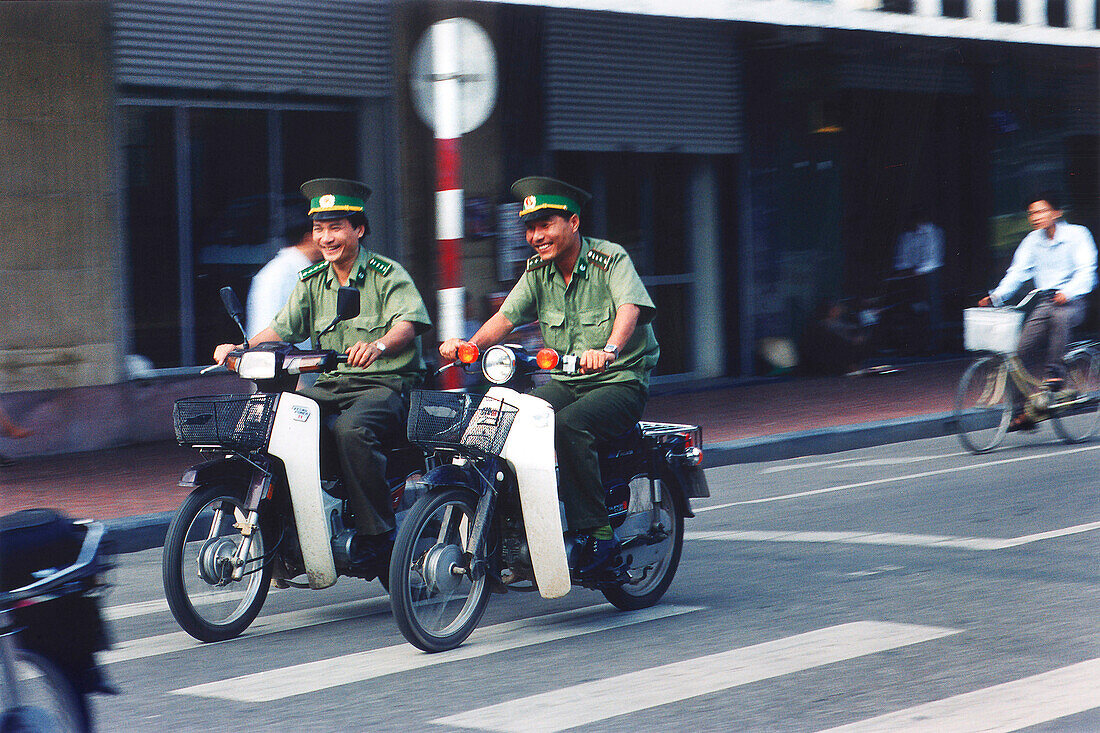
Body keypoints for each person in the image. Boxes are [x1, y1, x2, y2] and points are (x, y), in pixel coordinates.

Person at [439, 176, 660, 580]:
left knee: (571, 426)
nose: (536, 236)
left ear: (573, 223)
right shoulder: (538, 272)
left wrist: (608, 350)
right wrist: (467, 346)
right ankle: (514, 525)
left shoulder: (610, 260)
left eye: (545, 224)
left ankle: (599, 534)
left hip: (620, 381)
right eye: (530, 227)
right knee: (508, 418)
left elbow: (629, 307)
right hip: (567, 381)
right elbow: (505, 317)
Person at [213, 178, 431, 572]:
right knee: (277, 419)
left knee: (351, 430)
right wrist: (239, 349)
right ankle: (287, 532)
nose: (326, 237)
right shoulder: (311, 282)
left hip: (386, 384)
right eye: (319, 229)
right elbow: (281, 329)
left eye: (335, 227)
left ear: (358, 229)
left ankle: (378, 536)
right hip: (332, 385)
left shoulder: (387, 275)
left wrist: (379, 345)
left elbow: (408, 322)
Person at [979, 192, 1097, 432]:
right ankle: (1023, 413)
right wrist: (997, 296)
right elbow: (1017, 272)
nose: (1035, 217)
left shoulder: (1078, 235)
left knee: (1060, 315)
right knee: (1017, 354)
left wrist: (1069, 292)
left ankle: (1055, 375)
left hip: (1073, 301)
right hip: (1045, 302)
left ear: (1057, 213)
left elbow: (1087, 271)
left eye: (1041, 211)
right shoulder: (1032, 240)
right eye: (1032, 213)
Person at [246, 209, 322, 340]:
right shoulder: (280, 274)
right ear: (309, 238)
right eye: (320, 231)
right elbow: (267, 330)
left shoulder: (297, 269)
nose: (327, 239)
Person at [893, 210, 945, 353]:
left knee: (931, 308)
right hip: (911, 275)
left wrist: (918, 271)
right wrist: (905, 270)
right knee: (914, 308)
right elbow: (903, 257)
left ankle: (934, 342)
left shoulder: (933, 232)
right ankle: (914, 342)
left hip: (928, 275)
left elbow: (934, 259)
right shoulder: (907, 235)